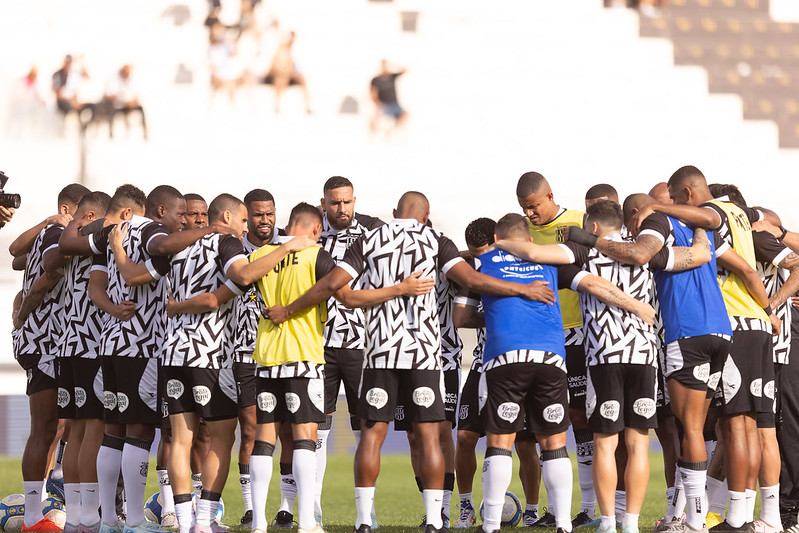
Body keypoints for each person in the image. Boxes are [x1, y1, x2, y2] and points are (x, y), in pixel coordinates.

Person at [263, 191, 570, 533]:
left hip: (380, 352)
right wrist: (521, 290)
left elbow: (335, 287)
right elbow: (471, 280)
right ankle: (435, 519)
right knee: (429, 436)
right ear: (426, 217)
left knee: (372, 435)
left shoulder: (370, 238)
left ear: (395, 212)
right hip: (423, 353)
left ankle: (365, 519)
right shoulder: (436, 240)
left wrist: (289, 310)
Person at [627, 167, 781, 533]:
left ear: (684, 194)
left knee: (724, 428)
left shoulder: (708, 219)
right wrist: (769, 311)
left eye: (674, 200)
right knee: (751, 427)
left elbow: (744, 268)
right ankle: (751, 517)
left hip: (723, 325)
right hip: (741, 328)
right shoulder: (730, 220)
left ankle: (716, 519)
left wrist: (770, 308)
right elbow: (751, 262)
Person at [515, 171, 596, 527]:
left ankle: (590, 507)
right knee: (545, 426)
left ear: (550, 195)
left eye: (533, 207)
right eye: (524, 209)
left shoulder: (579, 222)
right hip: (540, 338)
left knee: (578, 417)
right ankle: (553, 509)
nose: (530, 215)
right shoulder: (522, 231)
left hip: (577, 332)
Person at [12, 183, 90, 532]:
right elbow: (44, 280)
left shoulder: (51, 233)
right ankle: (32, 516)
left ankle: (46, 502)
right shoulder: (59, 233)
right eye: (85, 215)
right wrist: (24, 310)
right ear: (69, 209)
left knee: (59, 426)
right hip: (45, 342)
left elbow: (17, 257)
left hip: (53, 342)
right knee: (45, 428)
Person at [313, 176, 383, 527]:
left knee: (365, 429)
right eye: (335, 203)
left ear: (355, 200)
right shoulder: (310, 233)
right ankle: (313, 510)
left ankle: (365, 513)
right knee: (316, 432)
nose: (342, 209)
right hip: (318, 346)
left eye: (347, 202)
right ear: (323, 203)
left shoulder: (374, 232)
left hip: (362, 346)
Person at [232, 189, 283, 528]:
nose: (265, 220)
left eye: (270, 214)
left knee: (291, 433)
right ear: (246, 216)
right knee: (249, 429)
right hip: (243, 351)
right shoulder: (232, 250)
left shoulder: (285, 250)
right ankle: (251, 507)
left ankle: (289, 506)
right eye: (258, 214)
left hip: (281, 351)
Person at [262, 31, 311, 114]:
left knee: (302, 79)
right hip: (277, 75)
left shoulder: (294, 50)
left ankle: (307, 106)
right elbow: (276, 67)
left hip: (289, 74)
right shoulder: (281, 50)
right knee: (281, 79)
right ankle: (277, 105)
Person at [102, 65, 147, 140]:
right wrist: (124, 102)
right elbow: (109, 96)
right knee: (111, 110)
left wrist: (132, 102)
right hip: (117, 106)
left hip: (128, 106)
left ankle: (145, 134)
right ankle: (111, 133)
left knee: (141, 108)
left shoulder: (131, 80)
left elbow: (136, 95)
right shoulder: (114, 80)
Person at [52, 55, 95, 129]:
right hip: (63, 102)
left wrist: (81, 63)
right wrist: (71, 101)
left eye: (70, 63)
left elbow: (87, 77)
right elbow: (57, 94)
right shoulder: (58, 74)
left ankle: (84, 128)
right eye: (67, 62)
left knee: (92, 107)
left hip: (74, 102)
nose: (68, 64)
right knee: (70, 110)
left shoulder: (73, 74)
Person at [370, 59, 408, 132]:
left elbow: (405, 70)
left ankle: (396, 131)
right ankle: (374, 133)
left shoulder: (392, 77)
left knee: (405, 114)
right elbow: (373, 95)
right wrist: (378, 105)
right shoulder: (375, 80)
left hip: (395, 104)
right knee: (376, 117)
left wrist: (391, 64)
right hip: (384, 105)